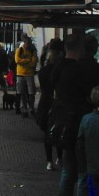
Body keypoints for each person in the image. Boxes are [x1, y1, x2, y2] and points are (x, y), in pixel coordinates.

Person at [53, 33, 99, 196]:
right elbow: (90, 95)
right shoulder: (79, 70)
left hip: (63, 124)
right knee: (82, 176)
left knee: (67, 176)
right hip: (79, 125)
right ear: (81, 49)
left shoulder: (58, 67)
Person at [36, 38, 64, 170]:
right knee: (59, 129)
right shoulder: (61, 70)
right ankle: (59, 157)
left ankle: (49, 161)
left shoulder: (44, 71)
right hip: (57, 103)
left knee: (47, 133)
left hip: (45, 102)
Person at [14, 34, 38, 118]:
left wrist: (23, 62)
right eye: (27, 43)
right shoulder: (19, 50)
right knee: (22, 93)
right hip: (20, 74)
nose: (28, 45)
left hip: (29, 74)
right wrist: (28, 60)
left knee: (31, 93)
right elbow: (17, 60)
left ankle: (31, 108)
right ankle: (24, 109)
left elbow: (34, 62)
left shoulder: (32, 51)